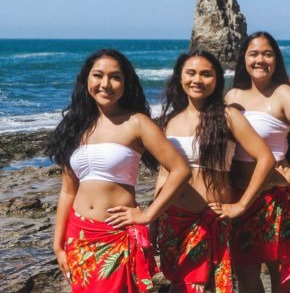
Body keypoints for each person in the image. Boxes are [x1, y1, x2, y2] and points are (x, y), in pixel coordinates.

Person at [47, 49, 191, 293]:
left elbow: (180, 170)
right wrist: (58, 244)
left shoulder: (136, 123)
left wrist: (148, 215)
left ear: (126, 83)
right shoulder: (75, 127)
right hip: (79, 235)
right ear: (87, 80)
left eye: (115, 77)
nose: (106, 84)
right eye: (98, 75)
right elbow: (67, 191)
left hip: (116, 233)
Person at [151, 50, 277, 293]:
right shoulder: (171, 122)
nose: (197, 80)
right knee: (180, 286)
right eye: (191, 73)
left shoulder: (228, 116)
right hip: (173, 221)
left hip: (211, 220)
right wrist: (154, 219)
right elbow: (164, 175)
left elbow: (265, 159)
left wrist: (240, 205)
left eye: (206, 74)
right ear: (180, 78)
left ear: (217, 80)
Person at [225, 31, 290, 293]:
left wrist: (289, 176)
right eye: (254, 54)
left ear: (276, 59)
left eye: (267, 54)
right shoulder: (232, 96)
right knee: (245, 273)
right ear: (243, 59)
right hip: (238, 197)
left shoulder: (282, 94)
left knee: (280, 273)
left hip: (273, 200)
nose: (260, 60)